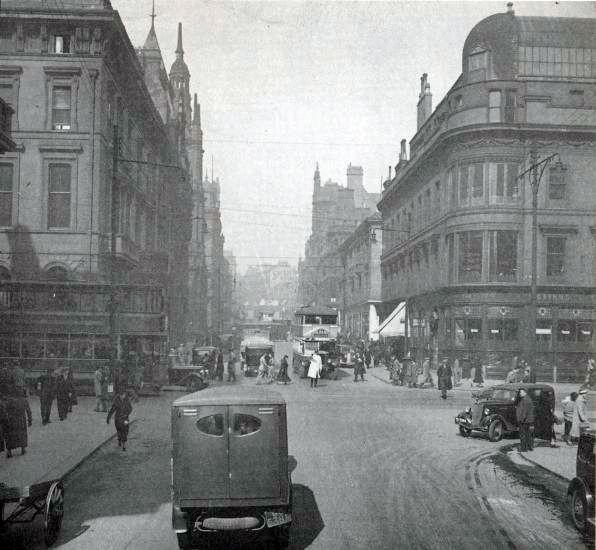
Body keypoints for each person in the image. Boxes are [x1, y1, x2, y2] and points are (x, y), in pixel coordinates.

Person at [4, 386, 32, 457]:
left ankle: (9, 451)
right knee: (22, 434)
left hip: (11, 420)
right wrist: (30, 420)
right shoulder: (23, 400)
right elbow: (28, 410)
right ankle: (23, 449)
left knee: (10, 435)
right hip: (21, 420)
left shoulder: (9, 400)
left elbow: (4, 411)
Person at [515, 388, 534, 452]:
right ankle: (529, 447)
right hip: (528, 420)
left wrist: (521, 420)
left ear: (525, 392)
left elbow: (524, 411)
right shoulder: (528, 398)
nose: (520, 393)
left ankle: (523, 448)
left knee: (523, 435)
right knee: (528, 434)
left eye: (521, 392)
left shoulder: (525, 400)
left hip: (524, 421)